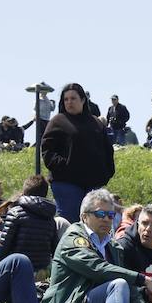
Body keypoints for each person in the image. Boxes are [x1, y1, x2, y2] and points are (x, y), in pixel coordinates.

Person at [40, 83, 115, 222]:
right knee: (70, 223)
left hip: (92, 184)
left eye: (73, 98)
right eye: (66, 99)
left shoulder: (96, 123)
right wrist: (64, 166)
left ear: (83, 100)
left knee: (94, 223)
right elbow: (47, 150)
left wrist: (106, 173)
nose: (69, 102)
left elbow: (107, 151)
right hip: (66, 183)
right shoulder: (58, 121)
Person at [0, 176, 59, 275]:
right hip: (40, 270)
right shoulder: (50, 218)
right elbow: (55, 248)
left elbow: (4, 245)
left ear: (25, 191)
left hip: (17, 267)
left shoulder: (15, 213)